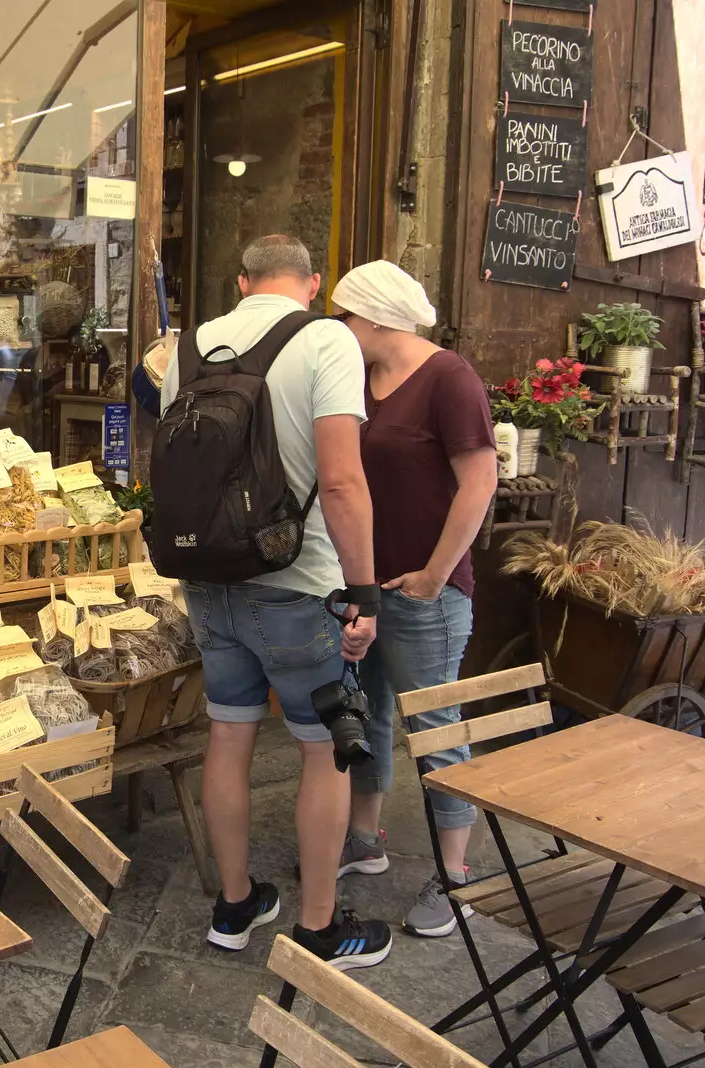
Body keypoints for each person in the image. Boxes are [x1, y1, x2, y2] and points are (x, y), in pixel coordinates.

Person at [160, 235, 392, 970]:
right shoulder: (326, 340)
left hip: (208, 579)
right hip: (299, 585)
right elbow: (345, 481)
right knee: (324, 749)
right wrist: (364, 592)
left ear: (241, 280)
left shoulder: (187, 349)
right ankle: (322, 929)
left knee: (227, 736)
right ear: (314, 283)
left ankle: (236, 905)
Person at [328, 260, 498, 938]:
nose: (338, 328)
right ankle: (365, 841)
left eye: (345, 316)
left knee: (435, 728)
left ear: (373, 318)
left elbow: (479, 484)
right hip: (361, 584)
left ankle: (456, 877)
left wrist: (434, 573)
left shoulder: (449, 379)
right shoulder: (358, 379)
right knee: (360, 712)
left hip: (425, 591)